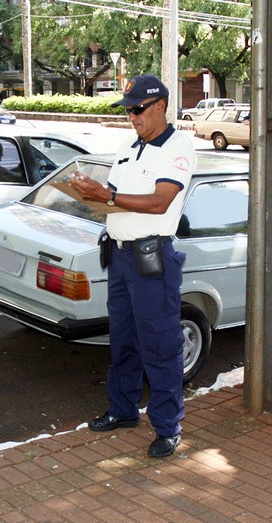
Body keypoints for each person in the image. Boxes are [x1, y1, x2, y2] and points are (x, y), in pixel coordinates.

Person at [69, 74, 196, 458]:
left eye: (138, 109)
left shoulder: (178, 147)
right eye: (128, 110)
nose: (132, 117)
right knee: (123, 340)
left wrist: (107, 196)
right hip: (120, 256)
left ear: (161, 106)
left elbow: (160, 202)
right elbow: (113, 198)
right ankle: (123, 410)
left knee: (160, 345)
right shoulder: (128, 146)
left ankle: (167, 427)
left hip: (151, 259)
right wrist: (88, 193)